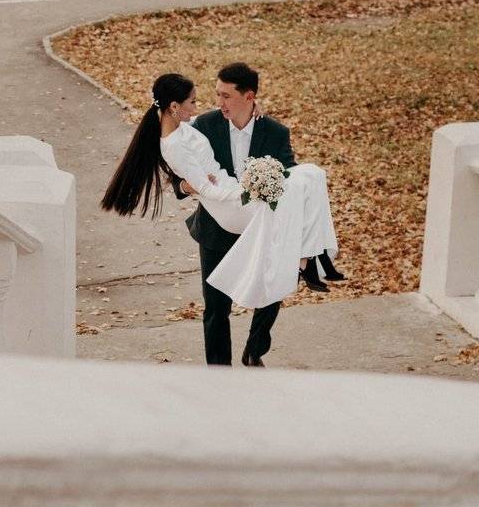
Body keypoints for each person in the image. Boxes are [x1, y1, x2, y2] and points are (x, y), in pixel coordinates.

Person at [100, 68, 342, 367]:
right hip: (219, 223)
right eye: (217, 94)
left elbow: (286, 172)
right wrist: (189, 187)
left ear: (249, 97)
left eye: (226, 96)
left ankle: (254, 351)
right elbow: (178, 169)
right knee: (215, 308)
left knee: (272, 289)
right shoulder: (205, 124)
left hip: (256, 220)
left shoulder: (275, 131)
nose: (218, 102)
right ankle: (219, 374)